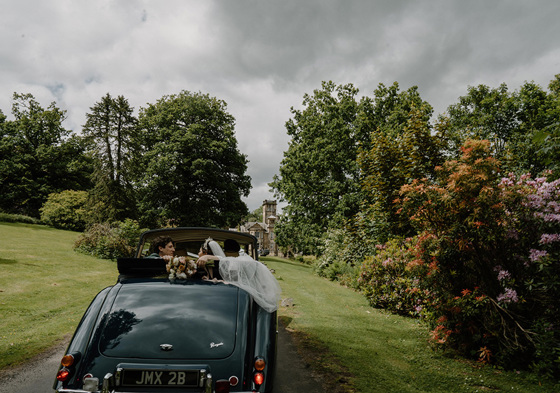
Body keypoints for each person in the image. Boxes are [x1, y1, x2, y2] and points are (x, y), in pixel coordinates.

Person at [197, 238, 281, 313]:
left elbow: (228, 260)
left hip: (237, 297)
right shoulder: (244, 260)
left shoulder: (241, 261)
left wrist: (209, 257)